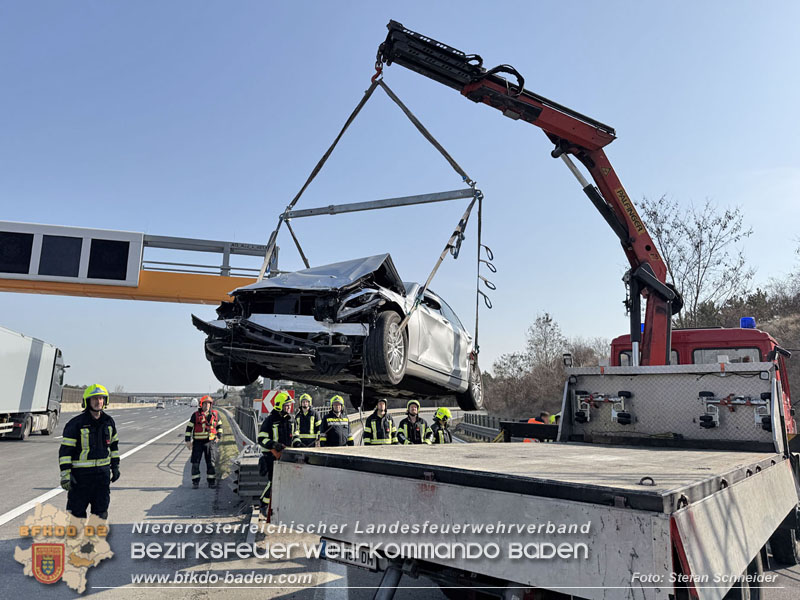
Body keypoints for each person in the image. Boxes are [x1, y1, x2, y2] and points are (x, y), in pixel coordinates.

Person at [59, 384, 120, 519]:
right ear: (87, 401)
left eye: (101, 398)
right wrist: (65, 475)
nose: (98, 402)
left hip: (102, 477)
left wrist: (115, 467)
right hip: (81, 478)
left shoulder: (109, 422)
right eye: (94, 399)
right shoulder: (76, 424)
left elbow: (114, 447)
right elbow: (65, 451)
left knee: (101, 514)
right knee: (76, 515)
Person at [257, 392, 298, 515]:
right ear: (280, 405)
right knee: (273, 481)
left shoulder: (291, 419)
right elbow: (261, 439)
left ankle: (281, 506)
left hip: (288, 455)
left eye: (289, 405)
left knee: (287, 481)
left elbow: (295, 435)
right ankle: (264, 504)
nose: (289, 407)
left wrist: (298, 443)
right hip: (272, 456)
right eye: (286, 405)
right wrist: (274, 445)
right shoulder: (270, 420)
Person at [185, 395, 223, 488]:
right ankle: (195, 482)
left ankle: (211, 482)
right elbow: (189, 428)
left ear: (211, 404)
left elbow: (219, 426)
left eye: (208, 404)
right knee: (195, 463)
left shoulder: (215, 414)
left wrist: (218, 436)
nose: (207, 406)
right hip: (197, 443)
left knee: (211, 463)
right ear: (201, 405)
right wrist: (188, 441)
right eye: (205, 404)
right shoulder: (195, 415)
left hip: (210, 443)